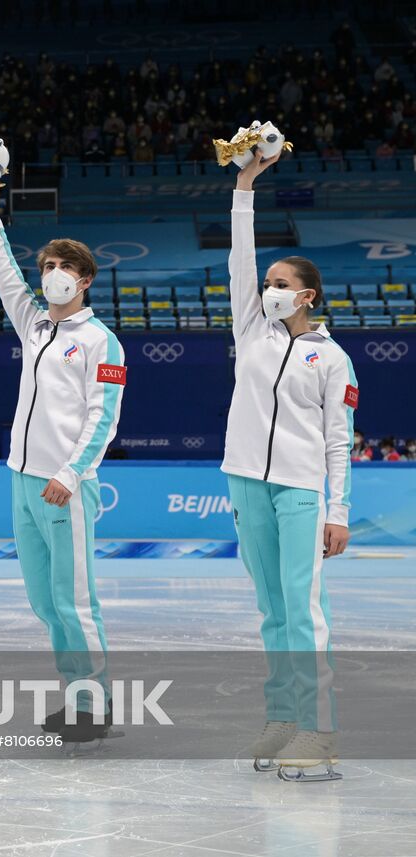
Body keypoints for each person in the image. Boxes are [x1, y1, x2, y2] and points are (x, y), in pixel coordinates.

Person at [0, 181, 124, 746]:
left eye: (63, 267)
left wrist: (70, 473)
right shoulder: (35, 325)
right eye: (47, 266)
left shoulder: (100, 341)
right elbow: (2, 274)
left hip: (65, 486)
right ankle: (76, 698)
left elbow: (103, 417)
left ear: (84, 279)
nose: (51, 274)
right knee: (45, 602)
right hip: (21, 480)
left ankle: (95, 704)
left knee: (75, 600)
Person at [224, 153, 356, 781]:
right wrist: (245, 186)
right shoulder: (252, 330)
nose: (267, 289)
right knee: (272, 609)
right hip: (245, 481)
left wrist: (338, 512)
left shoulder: (332, 359)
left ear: (307, 295)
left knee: (303, 611)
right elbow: (238, 259)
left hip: (301, 490)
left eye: (281, 284)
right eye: (266, 282)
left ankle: (319, 731)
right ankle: (283, 719)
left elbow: (338, 441)